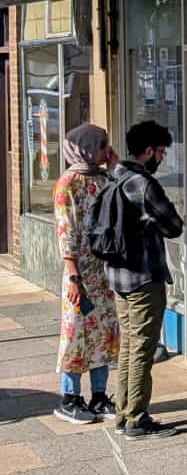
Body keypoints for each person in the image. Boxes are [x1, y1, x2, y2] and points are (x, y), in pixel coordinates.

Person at [103, 121, 184, 439]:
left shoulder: (117, 175)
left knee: (128, 347)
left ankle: (125, 413)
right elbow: (173, 225)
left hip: (119, 276)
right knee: (142, 348)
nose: (162, 158)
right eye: (161, 151)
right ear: (149, 151)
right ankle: (136, 418)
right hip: (143, 278)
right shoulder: (143, 183)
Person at [53, 124, 120, 425]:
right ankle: (69, 398)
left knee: (104, 334)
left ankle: (99, 395)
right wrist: (73, 277)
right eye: (103, 144)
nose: (107, 149)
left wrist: (115, 170)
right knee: (75, 334)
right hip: (80, 273)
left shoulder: (103, 178)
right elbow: (65, 232)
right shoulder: (67, 183)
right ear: (87, 147)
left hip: (103, 273)